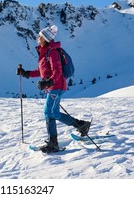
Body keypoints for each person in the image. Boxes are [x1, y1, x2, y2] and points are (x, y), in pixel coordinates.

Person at [17, 25, 91, 153]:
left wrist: (48, 82)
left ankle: (54, 142)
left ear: (45, 38)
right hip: (52, 86)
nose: (38, 38)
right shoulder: (45, 52)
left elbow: (57, 71)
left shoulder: (52, 52)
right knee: (52, 113)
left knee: (49, 112)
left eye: (40, 36)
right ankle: (80, 125)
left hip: (56, 86)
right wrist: (26, 73)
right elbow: (42, 71)